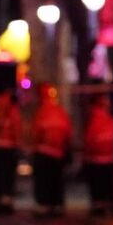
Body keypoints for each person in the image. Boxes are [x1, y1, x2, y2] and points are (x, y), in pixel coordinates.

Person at [31, 85, 72, 217]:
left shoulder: (42, 112)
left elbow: (36, 133)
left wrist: (33, 149)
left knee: (44, 181)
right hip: (58, 153)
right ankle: (57, 205)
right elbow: (67, 132)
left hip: (43, 153)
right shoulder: (60, 112)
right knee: (56, 181)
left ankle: (44, 205)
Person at [83, 97, 113, 216]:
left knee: (98, 186)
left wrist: (86, 156)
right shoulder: (110, 121)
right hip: (110, 158)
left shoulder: (94, 121)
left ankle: (99, 206)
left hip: (96, 160)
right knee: (110, 184)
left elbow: (90, 140)